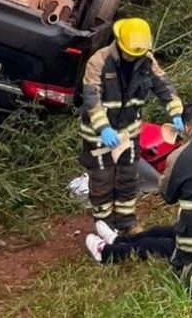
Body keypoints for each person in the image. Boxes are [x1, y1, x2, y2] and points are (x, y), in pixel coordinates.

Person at [84, 103, 192, 285]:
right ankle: (119, 240)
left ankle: (106, 253)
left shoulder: (178, 157)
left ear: (185, 128)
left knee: (151, 245)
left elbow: (168, 196)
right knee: (159, 231)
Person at [78, 18, 184, 235]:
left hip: (130, 133)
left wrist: (175, 110)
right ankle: (104, 226)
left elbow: (163, 85)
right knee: (102, 182)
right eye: (131, 53)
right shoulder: (99, 61)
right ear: (119, 43)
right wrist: (103, 128)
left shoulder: (145, 60)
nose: (135, 57)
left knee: (128, 178)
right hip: (99, 137)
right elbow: (91, 97)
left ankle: (127, 223)